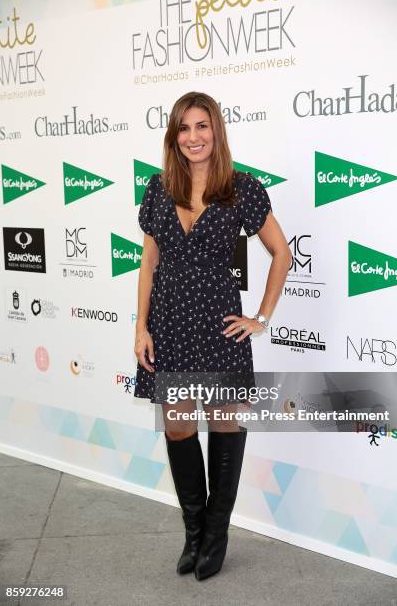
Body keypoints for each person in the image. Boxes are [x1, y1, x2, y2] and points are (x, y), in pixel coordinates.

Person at [133, 91, 291, 580]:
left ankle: (217, 534)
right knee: (179, 427)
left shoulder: (241, 188)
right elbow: (148, 262)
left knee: (224, 425)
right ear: (174, 136)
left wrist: (260, 318)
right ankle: (194, 532)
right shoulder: (158, 189)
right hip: (170, 326)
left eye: (202, 126)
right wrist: (140, 326)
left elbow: (280, 253)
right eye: (184, 128)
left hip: (220, 327)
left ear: (216, 131)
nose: (193, 137)